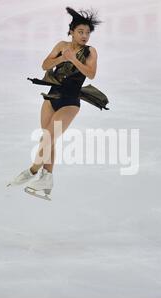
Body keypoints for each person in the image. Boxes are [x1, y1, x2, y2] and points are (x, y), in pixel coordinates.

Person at [7, 7, 106, 200]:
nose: (85, 36)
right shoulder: (61, 45)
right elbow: (45, 65)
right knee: (48, 139)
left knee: (48, 138)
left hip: (70, 101)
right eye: (80, 32)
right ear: (71, 32)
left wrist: (73, 60)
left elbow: (91, 73)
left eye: (87, 33)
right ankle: (47, 179)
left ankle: (33, 171)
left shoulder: (90, 51)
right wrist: (63, 56)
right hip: (51, 98)